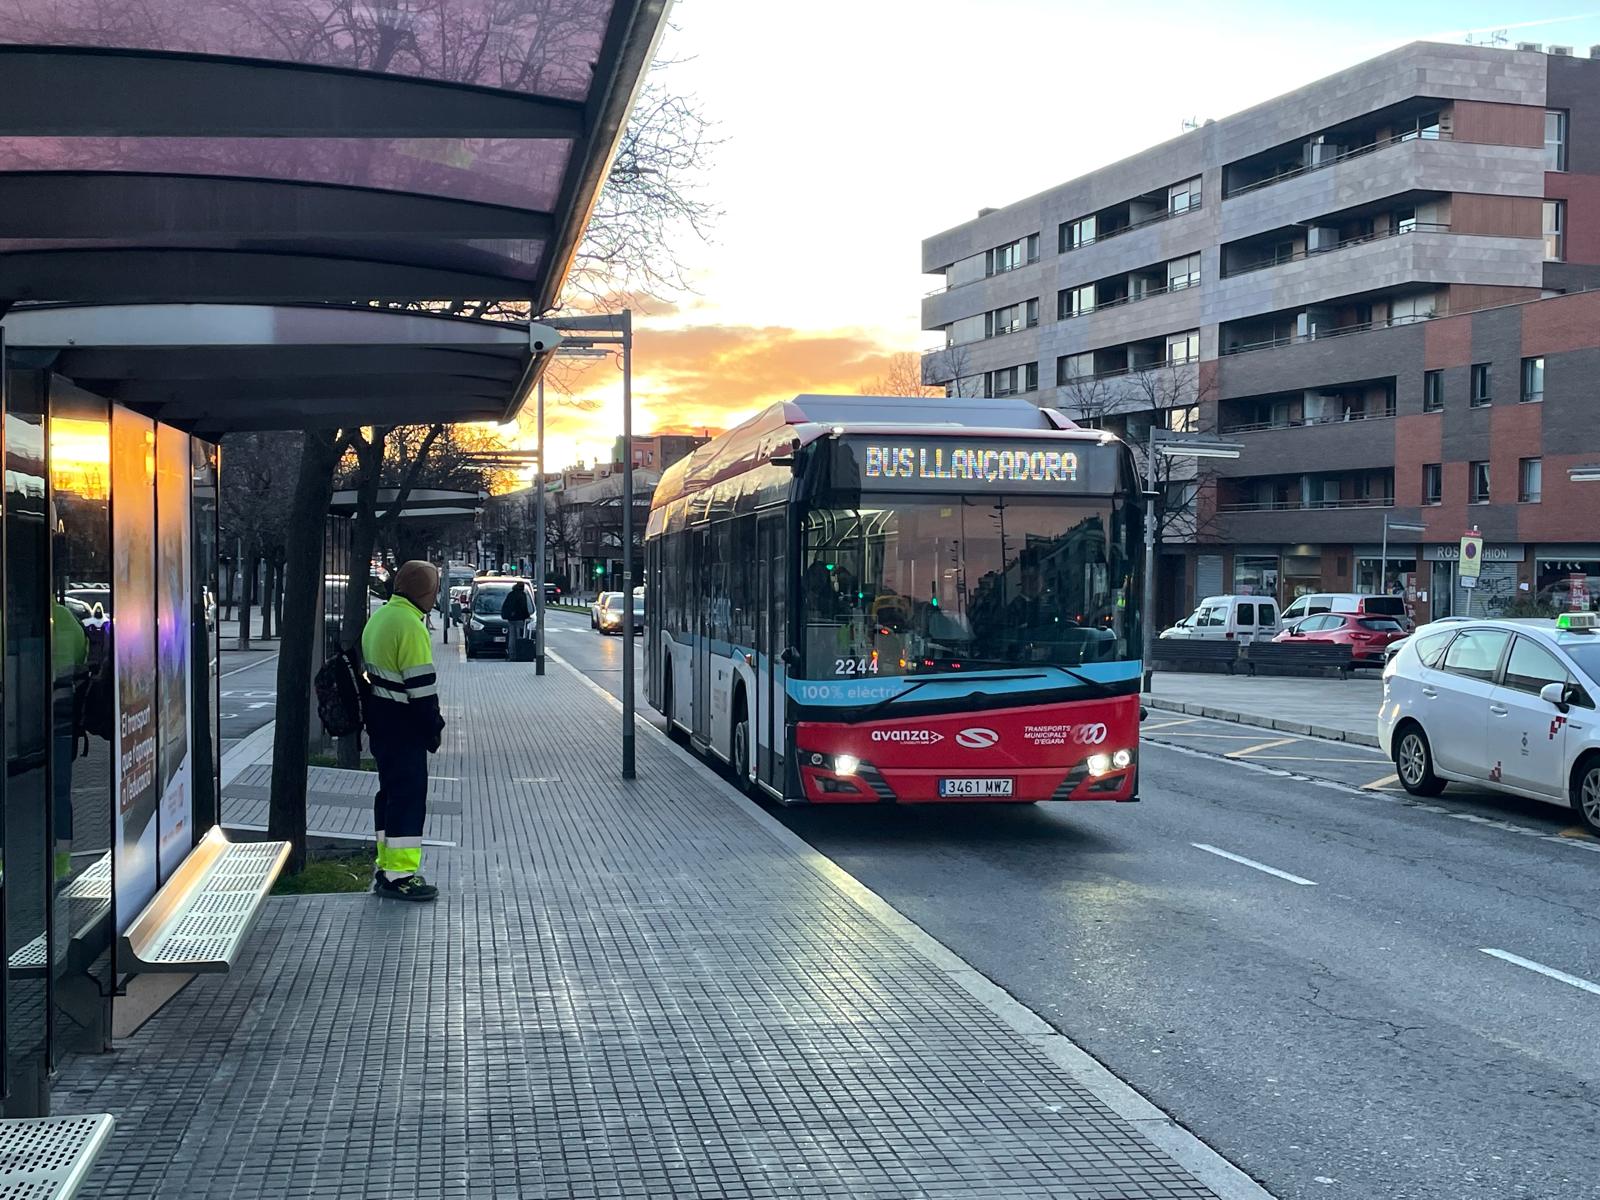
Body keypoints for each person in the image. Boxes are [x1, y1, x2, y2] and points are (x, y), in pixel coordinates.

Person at [361, 560, 445, 902]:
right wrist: (433, 727)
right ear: (425, 591)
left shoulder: (381, 616)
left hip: (381, 719)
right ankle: (401, 876)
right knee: (408, 798)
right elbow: (421, 687)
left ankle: (386, 866)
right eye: (434, 589)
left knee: (390, 794)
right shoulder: (410, 625)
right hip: (403, 722)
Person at [501, 580, 532, 652]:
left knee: (511, 637)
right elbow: (524, 607)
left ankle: (511, 653)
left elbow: (506, 605)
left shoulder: (511, 594)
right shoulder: (522, 595)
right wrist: (527, 616)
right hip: (519, 619)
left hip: (511, 619)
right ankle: (519, 652)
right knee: (519, 637)